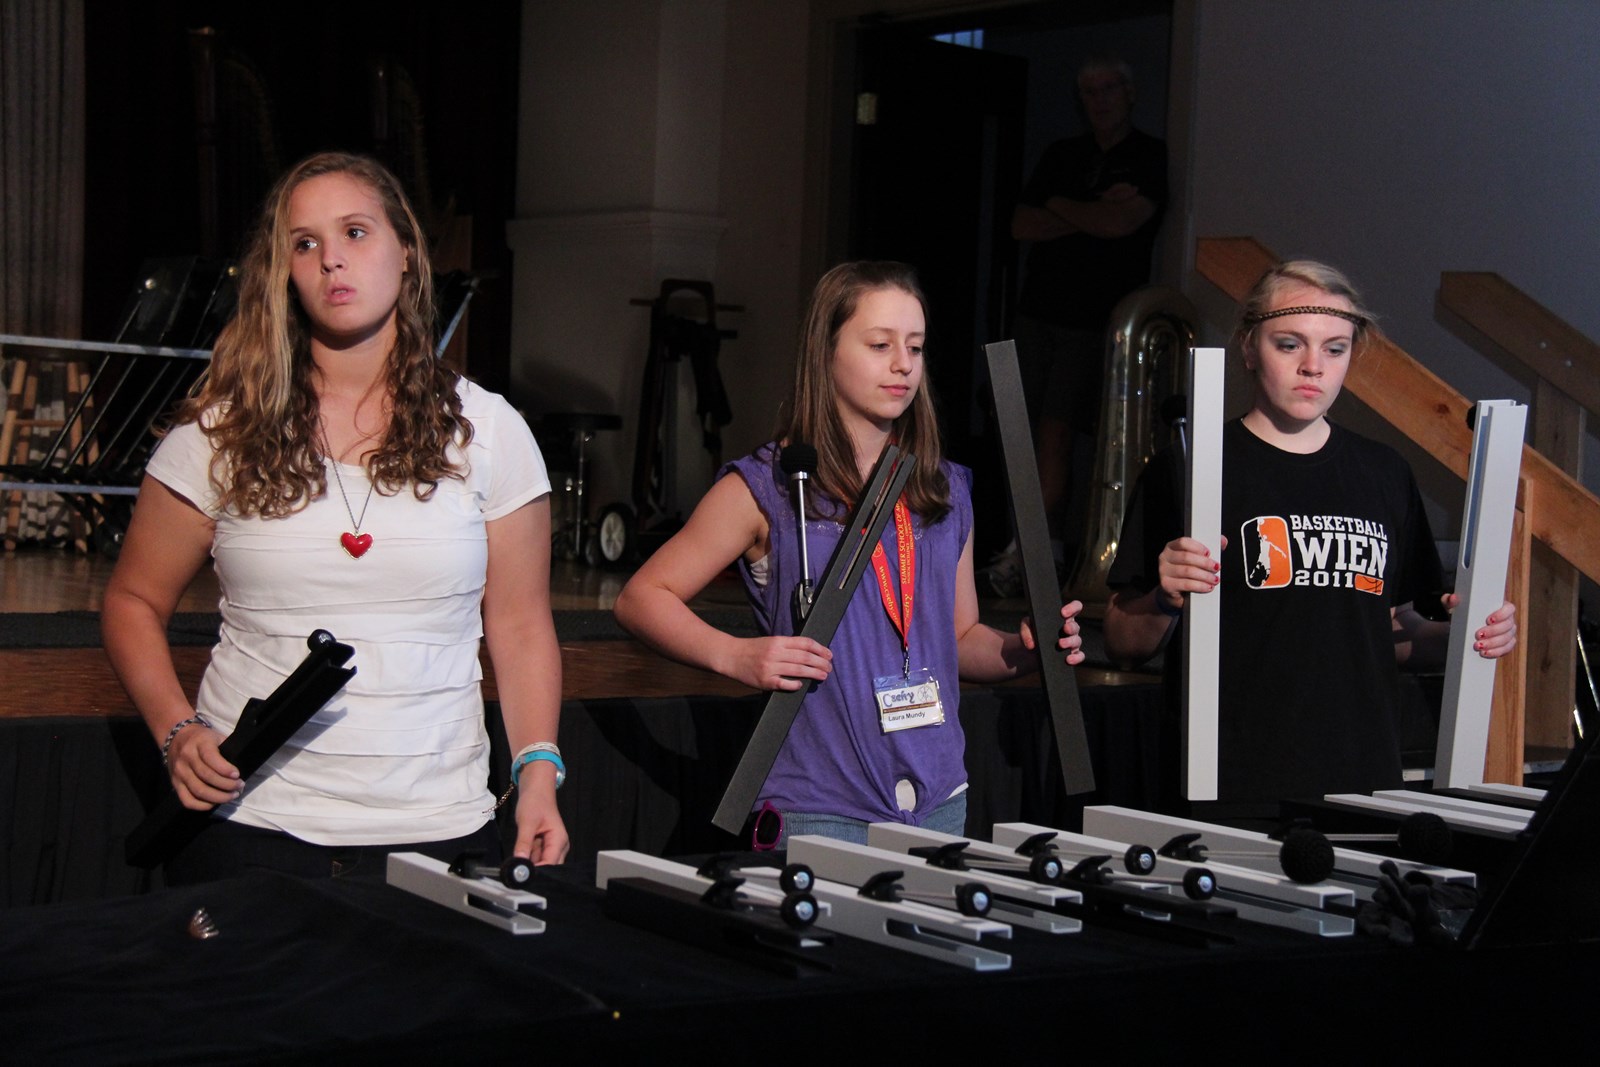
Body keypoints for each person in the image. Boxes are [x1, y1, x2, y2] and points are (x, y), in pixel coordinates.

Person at [102, 152, 568, 881]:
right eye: (305, 243)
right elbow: (132, 600)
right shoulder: (221, 432)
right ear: (285, 272)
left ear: (406, 252)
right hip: (251, 826)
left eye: (355, 232)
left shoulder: (490, 430)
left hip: (437, 828)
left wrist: (537, 771)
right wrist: (178, 731)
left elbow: (520, 623)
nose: (331, 260)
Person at [613, 261, 1085, 846]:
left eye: (915, 346)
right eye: (880, 345)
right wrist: (735, 655)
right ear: (826, 352)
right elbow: (642, 597)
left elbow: (959, 638)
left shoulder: (944, 487)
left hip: (940, 800)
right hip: (819, 806)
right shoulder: (771, 485)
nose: (903, 364)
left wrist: (1025, 650)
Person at [1103, 260, 1517, 814]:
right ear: (1249, 348)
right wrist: (1164, 598)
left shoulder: (1383, 473)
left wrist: (1471, 636)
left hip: (1362, 782)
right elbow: (1122, 640)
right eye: (1289, 344)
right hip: (1231, 782)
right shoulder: (1190, 469)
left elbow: (1391, 629)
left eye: (1335, 349)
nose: (1313, 367)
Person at [985, 54, 1167, 594]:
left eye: (1109, 88)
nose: (1100, 99)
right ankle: (1027, 549)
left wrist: (1060, 207)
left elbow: (1122, 223)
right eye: (1090, 91)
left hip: (1097, 318)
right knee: (1018, 426)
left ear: (1129, 93)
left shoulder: (1148, 155)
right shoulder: (1062, 154)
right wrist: (1089, 210)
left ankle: (1040, 554)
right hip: (1037, 310)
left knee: (1060, 429)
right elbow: (1022, 225)